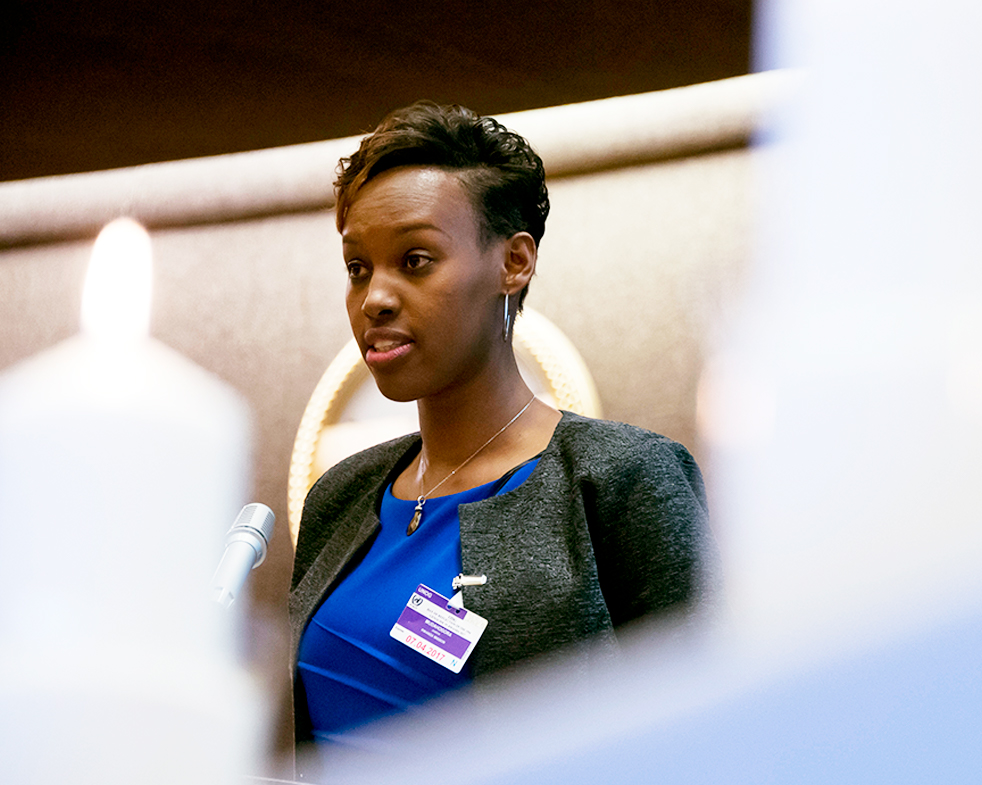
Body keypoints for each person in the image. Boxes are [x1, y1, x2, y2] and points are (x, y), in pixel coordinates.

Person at [288, 101, 712, 765]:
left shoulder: (623, 478)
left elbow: (707, 735)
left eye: (416, 259)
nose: (373, 297)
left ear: (513, 262)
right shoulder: (339, 498)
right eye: (357, 267)